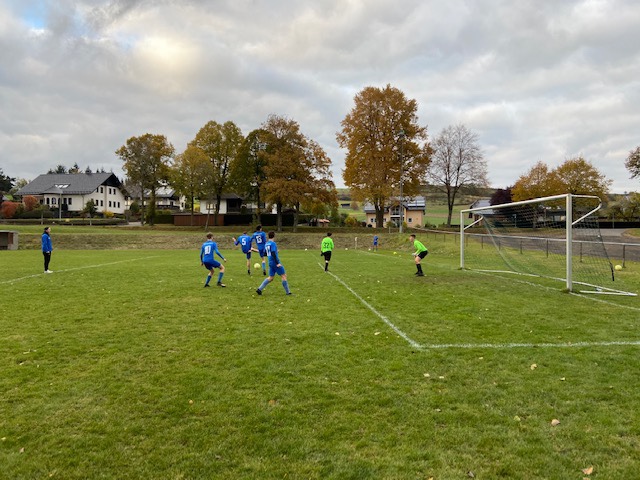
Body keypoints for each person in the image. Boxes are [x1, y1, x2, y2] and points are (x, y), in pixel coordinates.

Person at [256, 231, 291, 296]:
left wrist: (275, 252)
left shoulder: (266, 244)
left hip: (270, 262)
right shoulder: (273, 243)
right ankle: (288, 293)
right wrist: (277, 263)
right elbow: (272, 253)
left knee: (271, 278)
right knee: (283, 276)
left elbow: (265, 253)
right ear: (274, 236)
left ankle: (259, 289)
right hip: (275, 262)